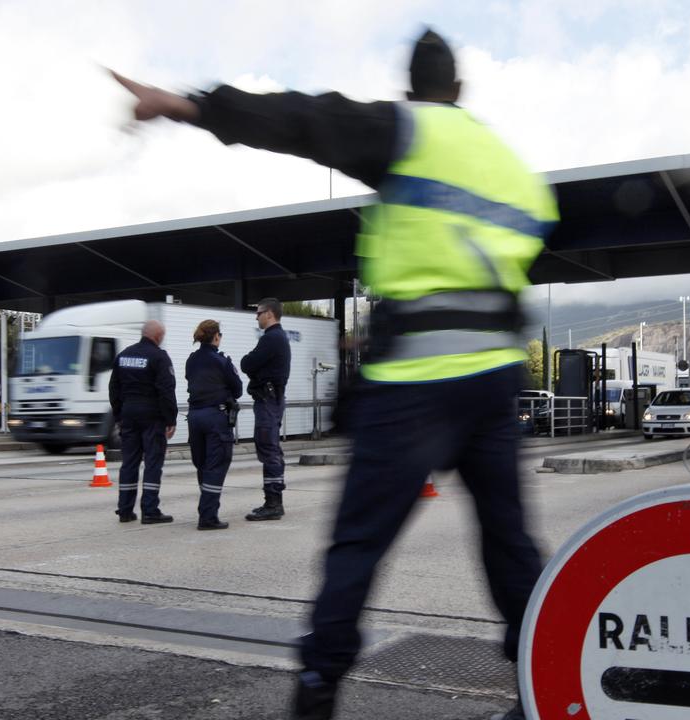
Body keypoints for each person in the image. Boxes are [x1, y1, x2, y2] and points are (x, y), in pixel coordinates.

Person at [109, 28, 558, 720]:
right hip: (494, 382)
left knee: (357, 544)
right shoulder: (514, 170)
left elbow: (303, 120)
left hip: (415, 378)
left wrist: (191, 105)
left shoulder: (408, 129)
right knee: (511, 547)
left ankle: (317, 691)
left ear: (411, 90)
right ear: (461, 90)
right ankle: (545, 685)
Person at [107, 319, 176, 524]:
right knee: (153, 462)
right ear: (157, 336)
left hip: (129, 414)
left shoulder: (124, 355)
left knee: (129, 462)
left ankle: (125, 510)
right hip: (152, 416)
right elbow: (166, 390)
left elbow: (114, 389)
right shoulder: (159, 357)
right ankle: (150, 510)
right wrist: (170, 418)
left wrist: (119, 414)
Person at [184, 319, 243, 530]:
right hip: (215, 418)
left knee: (203, 465)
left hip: (194, 417)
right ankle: (208, 517)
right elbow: (237, 389)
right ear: (216, 336)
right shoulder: (222, 361)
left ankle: (207, 510)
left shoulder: (191, 360)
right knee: (216, 467)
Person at [240, 297, 292, 521]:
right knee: (271, 448)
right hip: (273, 398)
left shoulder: (271, 339)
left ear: (269, 314)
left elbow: (247, 364)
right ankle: (274, 497)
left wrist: (251, 368)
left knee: (268, 448)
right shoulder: (278, 338)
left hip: (267, 400)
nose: (257, 316)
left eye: (259, 313)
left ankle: (273, 503)